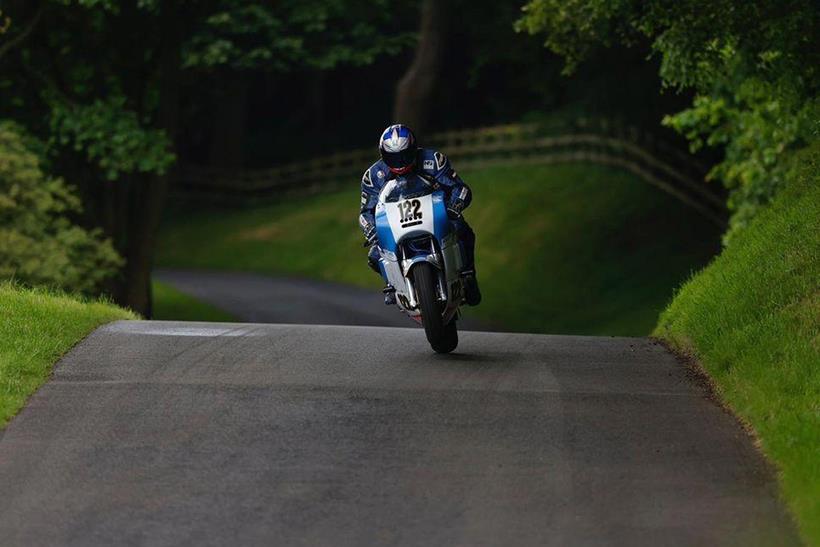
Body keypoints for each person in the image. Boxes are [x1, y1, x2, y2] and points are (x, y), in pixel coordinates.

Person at [358, 123, 481, 306]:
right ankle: (393, 285)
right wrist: (370, 230)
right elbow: (365, 212)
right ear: (383, 155)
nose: (400, 162)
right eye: (393, 157)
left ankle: (468, 274)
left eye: (404, 155)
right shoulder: (374, 176)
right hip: (396, 221)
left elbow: (459, 188)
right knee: (374, 255)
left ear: (414, 149)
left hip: (434, 213)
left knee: (463, 230)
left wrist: (455, 206)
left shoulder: (433, 160)